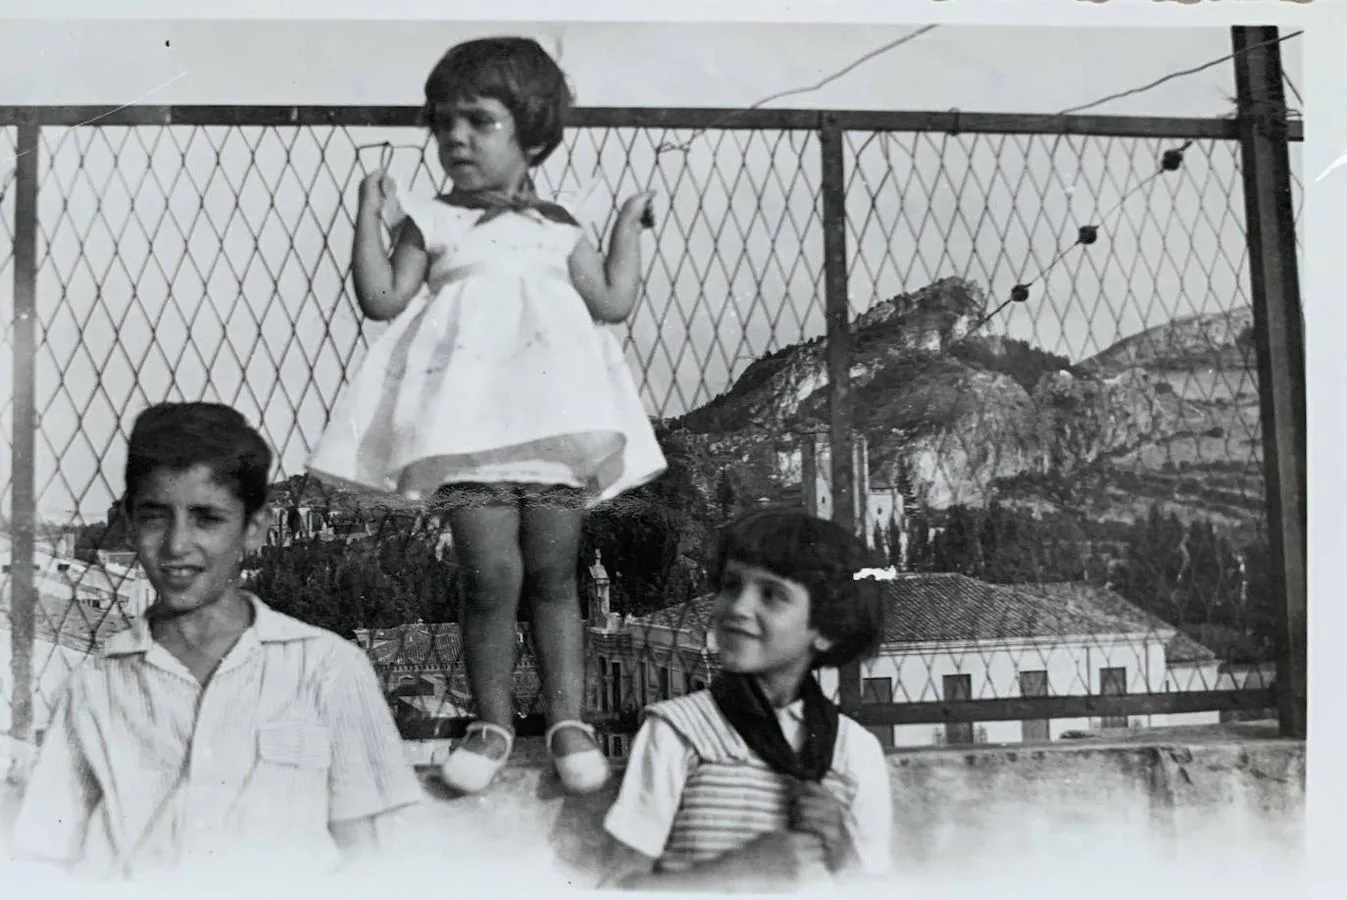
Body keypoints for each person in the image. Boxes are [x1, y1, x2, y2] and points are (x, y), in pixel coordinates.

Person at [305, 35, 666, 796]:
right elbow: (381, 299)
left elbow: (611, 302)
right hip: (465, 431)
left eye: (478, 121)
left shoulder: (561, 226)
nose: (455, 139)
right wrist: (369, 216)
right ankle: (492, 722)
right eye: (442, 124)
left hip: (553, 428)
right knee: (489, 575)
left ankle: (570, 721)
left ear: (532, 132)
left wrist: (628, 227)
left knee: (553, 572)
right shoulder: (433, 223)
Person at [10, 402, 424, 880]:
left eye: (207, 518)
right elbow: (44, 862)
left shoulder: (326, 670)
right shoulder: (94, 687)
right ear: (129, 520)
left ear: (253, 529)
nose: (176, 545)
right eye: (155, 517)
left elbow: (369, 863)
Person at [600, 509, 894, 892]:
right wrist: (735, 875)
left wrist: (842, 848)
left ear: (827, 629)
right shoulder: (680, 730)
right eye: (731, 585)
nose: (738, 607)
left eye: (772, 595)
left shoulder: (853, 750)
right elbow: (616, 887)